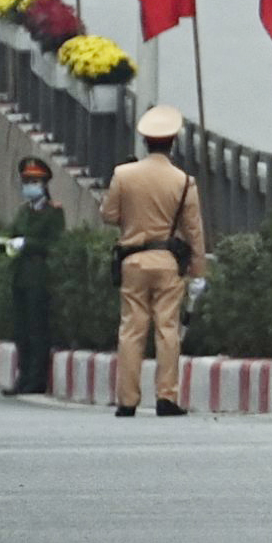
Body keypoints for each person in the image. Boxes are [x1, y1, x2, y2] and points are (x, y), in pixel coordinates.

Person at [100, 108, 206, 420]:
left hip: (132, 260)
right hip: (167, 262)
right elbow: (193, 230)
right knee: (167, 329)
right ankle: (166, 397)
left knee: (132, 330)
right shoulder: (183, 181)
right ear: (172, 143)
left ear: (145, 141)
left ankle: (127, 400)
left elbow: (108, 215)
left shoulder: (124, 174)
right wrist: (199, 272)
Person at [9, 157, 60, 396]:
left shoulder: (53, 213)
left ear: (44, 184)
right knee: (21, 330)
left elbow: (54, 243)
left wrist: (27, 244)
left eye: (33, 181)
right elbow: (12, 235)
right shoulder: (22, 212)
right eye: (26, 181)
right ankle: (23, 376)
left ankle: (36, 379)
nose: (28, 185)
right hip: (20, 277)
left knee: (37, 330)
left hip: (39, 278)